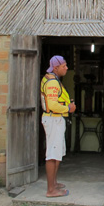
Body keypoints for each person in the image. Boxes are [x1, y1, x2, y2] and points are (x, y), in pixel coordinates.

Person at [40, 55, 76, 198]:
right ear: (56, 68)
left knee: (57, 153)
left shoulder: (51, 79)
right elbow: (52, 104)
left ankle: (53, 183)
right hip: (53, 120)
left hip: (56, 119)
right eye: (64, 66)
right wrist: (68, 109)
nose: (67, 68)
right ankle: (51, 190)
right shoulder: (53, 83)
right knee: (52, 155)